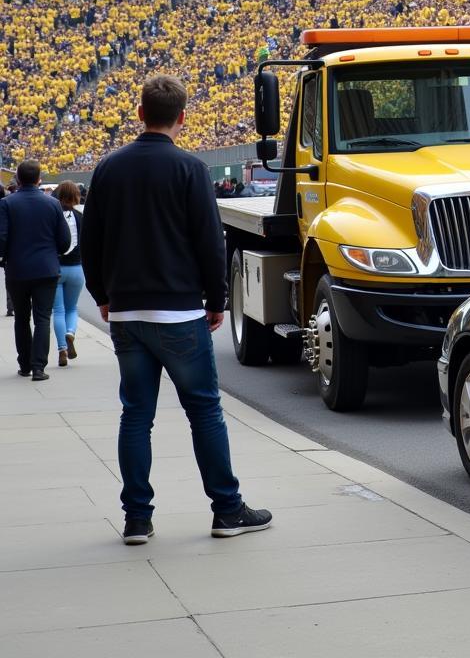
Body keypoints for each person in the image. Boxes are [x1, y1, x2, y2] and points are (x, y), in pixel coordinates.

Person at [81, 75, 272, 546]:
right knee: (204, 412)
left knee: (135, 416)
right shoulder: (189, 169)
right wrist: (216, 299)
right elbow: (210, 240)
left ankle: (136, 519)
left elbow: (91, 241)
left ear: (140, 114)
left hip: (127, 313)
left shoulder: (107, 169)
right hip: (180, 312)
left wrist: (102, 294)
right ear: (182, 118)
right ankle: (227, 509)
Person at [0, 159, 71, 381]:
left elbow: (2, 237)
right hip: (46, 268)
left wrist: (4, 258)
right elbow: (65, 240)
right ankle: (39, 367)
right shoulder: (52, 204)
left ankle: (25, 364)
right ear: (39, 179)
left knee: (21, 317)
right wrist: (53, 253)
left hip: (18, 269)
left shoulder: (7, 204)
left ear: (18, 179)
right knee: (43, 318)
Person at [52, 181, 86, 367]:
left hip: (56, 267)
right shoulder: (80, 216)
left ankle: (62, 349)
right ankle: (71, 331)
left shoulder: (52, 214)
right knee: (72, 307)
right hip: (76, 267)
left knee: (57, 310)